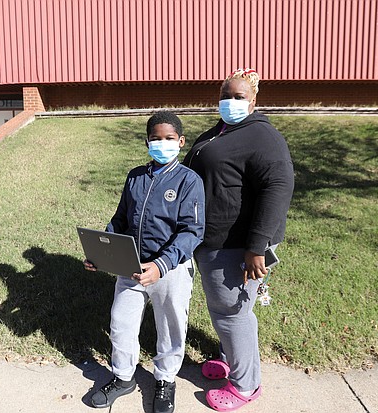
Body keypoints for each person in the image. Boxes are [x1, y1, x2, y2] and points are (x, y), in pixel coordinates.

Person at [183, 68, 294, 412]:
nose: (230, 102)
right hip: (212, 238)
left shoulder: (262, 136)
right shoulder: (221, 131)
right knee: (226, 310)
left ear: (254, 100)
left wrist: (256, 247)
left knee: (233, 314)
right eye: (225, 96)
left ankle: (246, 385)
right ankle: (231, 359)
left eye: (238, 97)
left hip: (237, 243)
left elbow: (278, 187)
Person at [84, 111, 205, 413]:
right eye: (155, 139)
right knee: (121, 322)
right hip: (132, 266)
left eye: (168, 139)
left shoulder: (190, 181)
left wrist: (162, 265)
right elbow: (121, 219)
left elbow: (192, 231)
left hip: (170, 269)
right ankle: (123, 376)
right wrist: (101, 253)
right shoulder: (135, 176)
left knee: (170, 327)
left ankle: (165, 379)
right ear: (147, 141)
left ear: (180, 142)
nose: (161, 144)